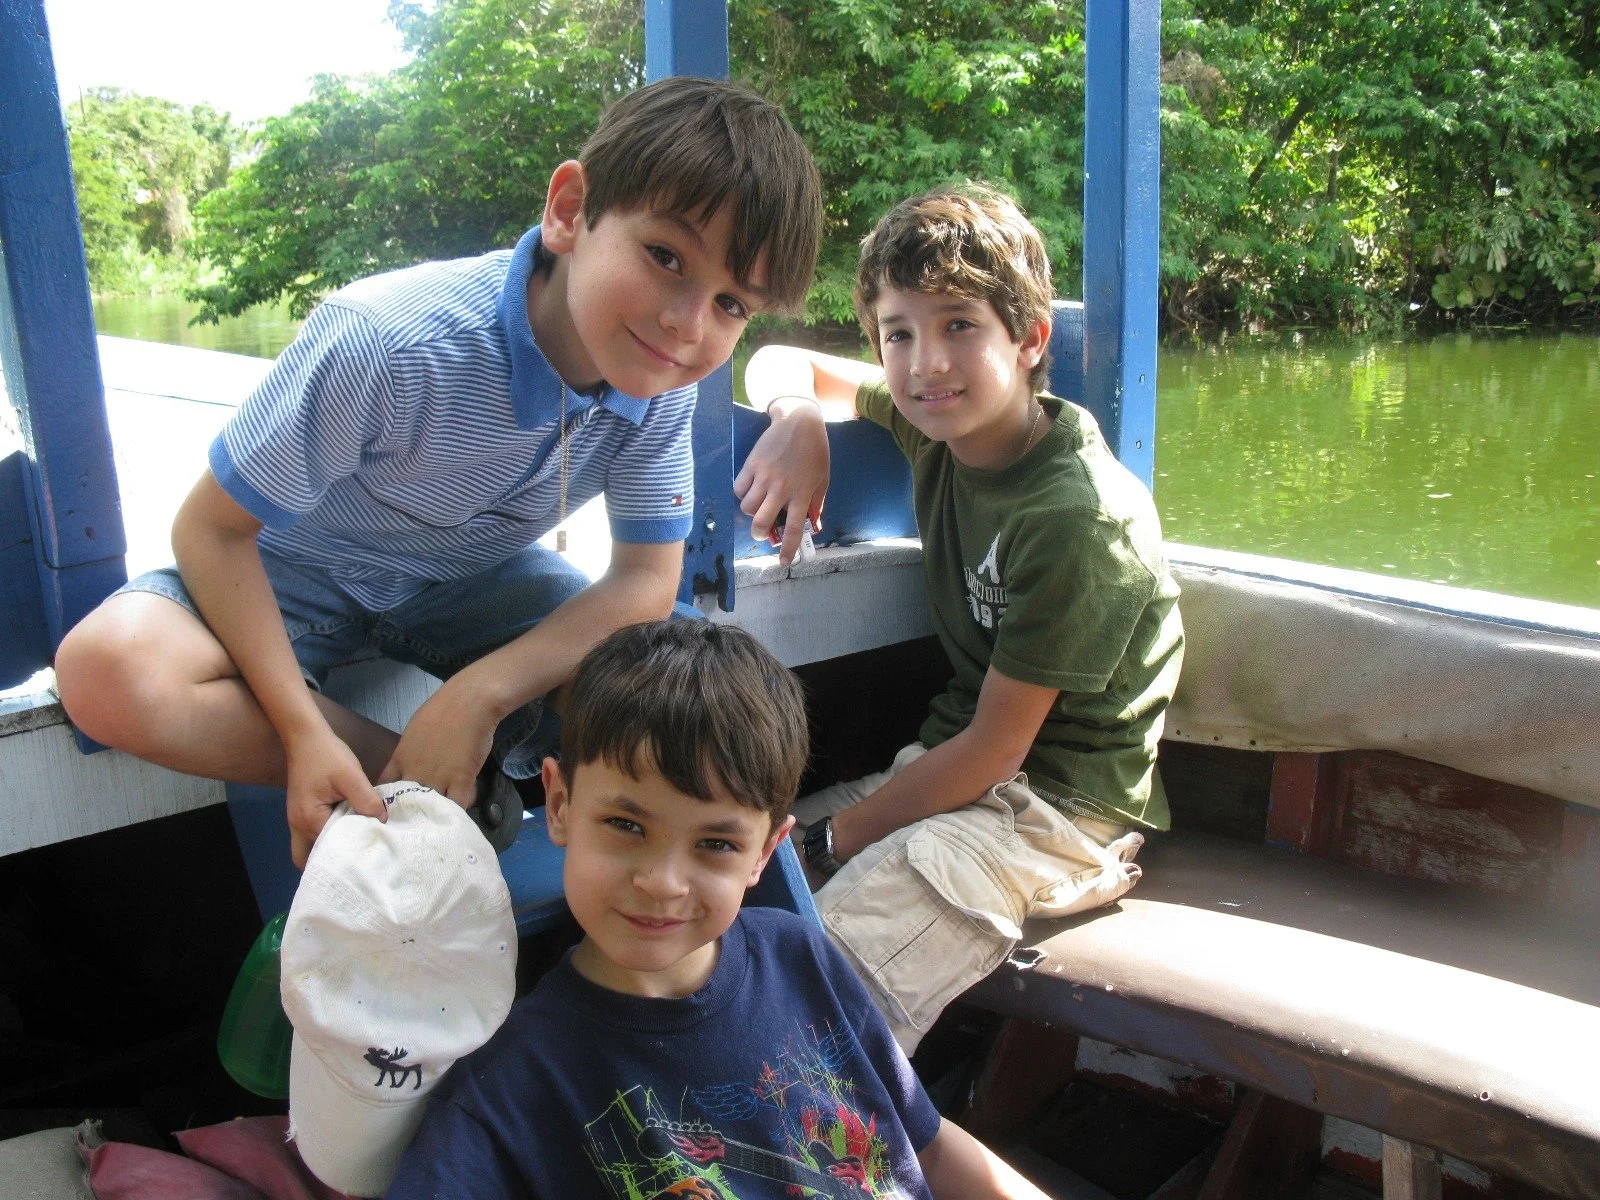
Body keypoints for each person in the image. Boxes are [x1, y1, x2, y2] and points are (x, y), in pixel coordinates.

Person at [54, 77, 824, 867]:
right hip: (293, 572)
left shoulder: (661, 377)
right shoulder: (389, 344)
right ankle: (403, 779)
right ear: (568, 211)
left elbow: (642, 583)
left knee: (688, 691)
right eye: (665, 257)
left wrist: (478, 695)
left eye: (732, 304)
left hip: (473, 581)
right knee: (109, 671)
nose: (686, 323)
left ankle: (643, 892)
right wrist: (303, 733)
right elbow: (211, 528)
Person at [735, 184, 1185, 1051]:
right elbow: (776, 359)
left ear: (1029, 340)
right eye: (897, 333)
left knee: (813, 992)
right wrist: (800, 420)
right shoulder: (934, 434)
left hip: (1052, 813)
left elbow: (997, 750)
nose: (923, 364)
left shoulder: (1076, 516)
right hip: (943, 769)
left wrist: (831, 841)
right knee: (738, 875)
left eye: (958, 326)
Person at [387, 619, 1052, 1200]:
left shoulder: (803, 956)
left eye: (715, 844)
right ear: (559, 805)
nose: (663, 883)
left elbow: (925, 1146)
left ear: (765, 852)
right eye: (625, 824)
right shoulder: (516, 1084)